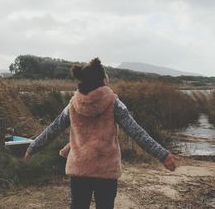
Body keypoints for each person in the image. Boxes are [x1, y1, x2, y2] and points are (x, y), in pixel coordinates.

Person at [24, 58, 177, 209]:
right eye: (106, 75)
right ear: (103, 80)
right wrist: (162, 154)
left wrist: (33, 147)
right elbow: (136, 132)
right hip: (105, 170)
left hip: (79, 169)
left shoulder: (72, 104)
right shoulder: (114, 103)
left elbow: (53, 129)